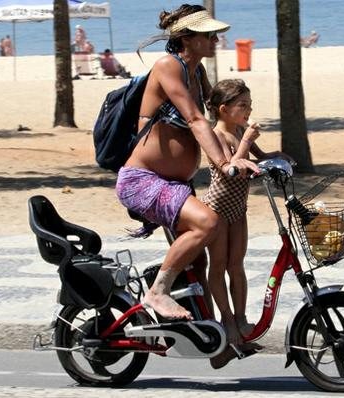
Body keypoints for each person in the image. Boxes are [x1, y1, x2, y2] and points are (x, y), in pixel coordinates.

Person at [116, 4, 259, 320]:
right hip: (143, 180)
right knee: (207, 222)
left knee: (198, 263)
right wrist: (224, 164)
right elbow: (195, 119)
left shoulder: (198, 72)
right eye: (209, 35)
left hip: (175, 185)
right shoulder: (169, 66)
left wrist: (261, 153)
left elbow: (221, 113)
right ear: (188, 38)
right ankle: (158, 291)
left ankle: (215, 336)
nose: (215, 41)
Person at [201, 79, 292, 368]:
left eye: (250, 105)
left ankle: (241, 320)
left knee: (236, 265)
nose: (248, 111)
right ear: (224, 109)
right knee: (218, 267)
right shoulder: (215, 135)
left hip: (238, 208)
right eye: (243, 106)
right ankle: (226, 320)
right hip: (217, 209)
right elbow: (231, 165)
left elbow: (257, 158)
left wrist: (273, 157)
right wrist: (246, 141)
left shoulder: (239, 130)